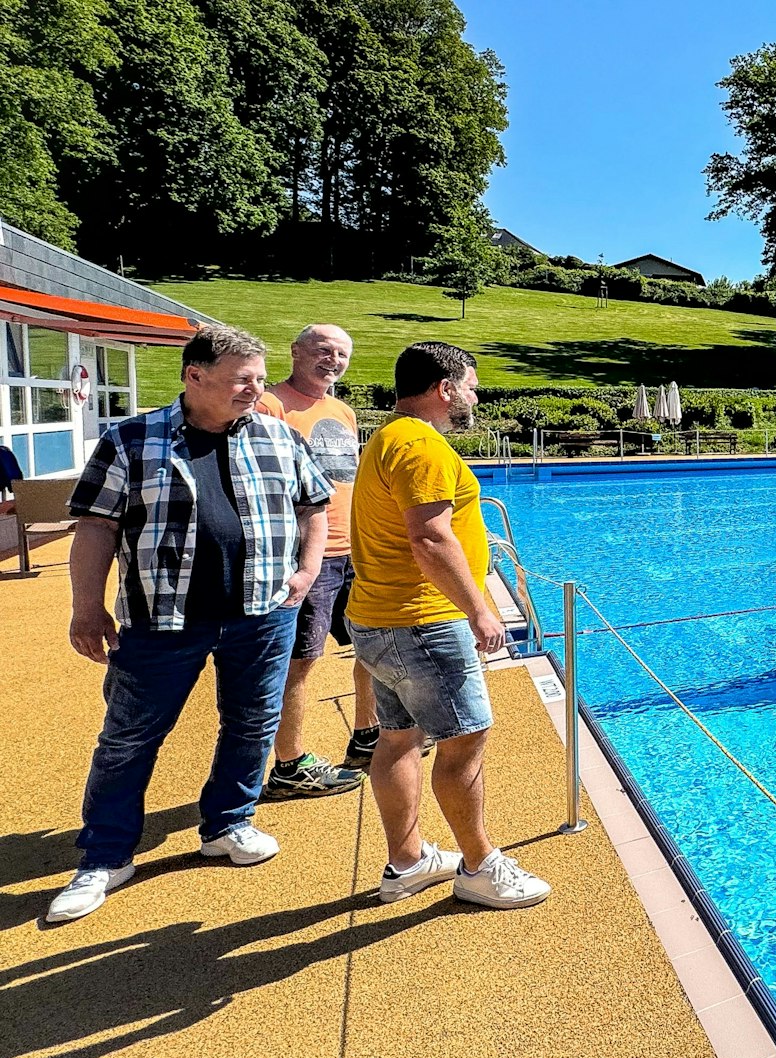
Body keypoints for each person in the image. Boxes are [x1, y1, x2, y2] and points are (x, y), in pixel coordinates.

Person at [48, 325, 331, 924]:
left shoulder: (277, 435)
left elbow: (314, 506)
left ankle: (228, 823)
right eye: (241, 380)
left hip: (261, 615)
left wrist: (305, 573)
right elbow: (95, 526)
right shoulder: (132, 438)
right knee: (129, 738)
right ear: (194, 376)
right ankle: (104, 856)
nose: (256, 390)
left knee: (252, 725)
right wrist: (86, 605)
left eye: (259, 378)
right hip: (160, 619)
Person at [347, 341, 549, 909]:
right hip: (422, 622)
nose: (475, 395)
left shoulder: (388, 437)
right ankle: (481, 868)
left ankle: (407, 863)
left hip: (380, 616)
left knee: (398, 738)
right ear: (445, 387)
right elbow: (430, 538)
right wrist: (481, 609)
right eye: (471, 385)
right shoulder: (422, 446)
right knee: (465, 739)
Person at [258, 325, 369, 797]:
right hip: (305, 553)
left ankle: (368, 734)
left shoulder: (342, 410)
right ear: (296, 352)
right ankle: (289, 764)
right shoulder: (271, 405)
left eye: (342, 354)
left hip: (353, 550)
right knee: (301, 660)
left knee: (372, 644)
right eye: (324, 350)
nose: (334, 360)